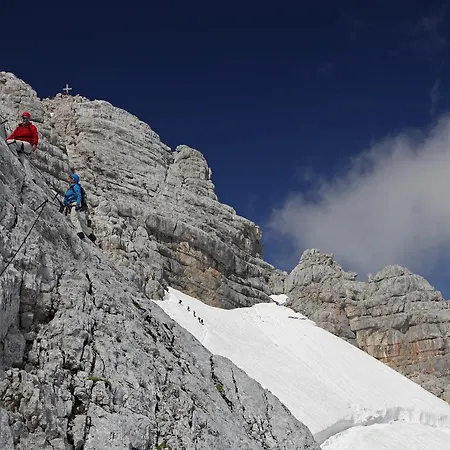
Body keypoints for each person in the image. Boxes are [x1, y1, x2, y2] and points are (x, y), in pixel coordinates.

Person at [63, 173, 96, 242]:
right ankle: (90, 234)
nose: (69, 179)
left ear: (73, 180)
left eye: (70, 178)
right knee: (79, 220)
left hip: (74, 204)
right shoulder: (73, 186)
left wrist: (77, 204)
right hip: (73, 204)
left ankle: (79, 233)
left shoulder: (75, 187)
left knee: (73, 218)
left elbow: (79, 195)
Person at [6, 112, 39, 181]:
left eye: (26, 118)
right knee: (24, 160)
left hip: (27, 144)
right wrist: (6, 141)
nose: (25, 120)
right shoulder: (19, 128)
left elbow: (35, 136)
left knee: (12, 142)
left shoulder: (32, 127)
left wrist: (35, 144)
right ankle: (31, 177)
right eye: (24, 118)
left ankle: (16, 158)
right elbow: (13, 136)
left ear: (29, 119)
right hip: (19, 145)